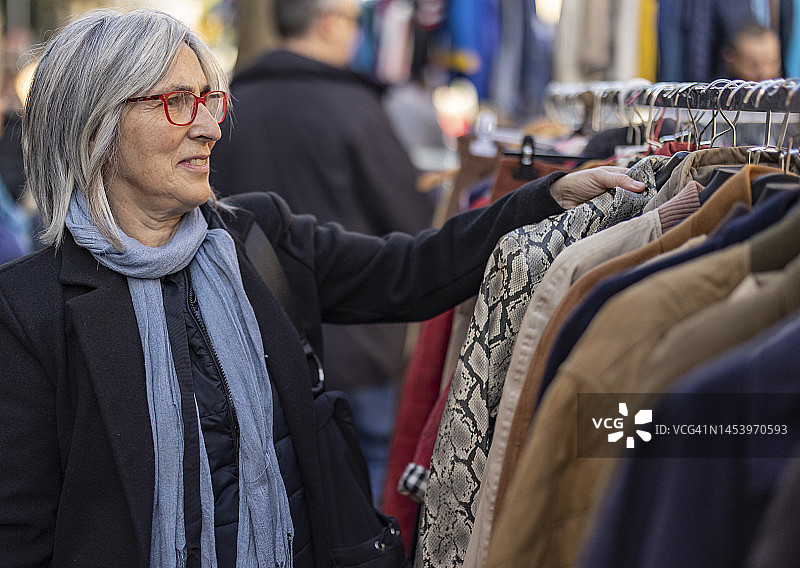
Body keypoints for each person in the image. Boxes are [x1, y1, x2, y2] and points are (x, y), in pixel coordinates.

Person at [0, 8, 646, 568]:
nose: (209, 126)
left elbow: (413, 272)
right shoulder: (30, 308)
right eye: (176, 102)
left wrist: (547, 198)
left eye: (210, 99)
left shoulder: (259, 238)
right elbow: (21, 533)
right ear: (95, 126)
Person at [209, 0, 439, 502]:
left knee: (278, 494)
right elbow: (412, 220)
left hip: (251, 341)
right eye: (355, 21)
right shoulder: (353, 106)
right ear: (330, 22)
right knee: (370, 487)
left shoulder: (228, 107)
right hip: (357, 342)